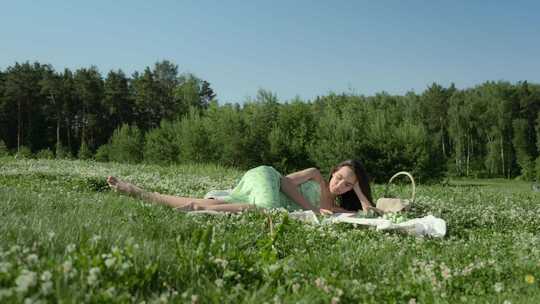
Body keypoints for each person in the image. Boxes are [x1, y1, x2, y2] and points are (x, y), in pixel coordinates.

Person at [106, 159, 376, 214]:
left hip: (261, 198)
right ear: (332, 173)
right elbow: (283, 181)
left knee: (218, 203)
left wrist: (361, 193)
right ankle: (201, 211)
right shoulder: (316, 175)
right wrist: (310, 209)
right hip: (266, 179)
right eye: (339, 177)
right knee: (269, 209)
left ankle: (138, 192)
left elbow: (368, 215)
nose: (340, 184)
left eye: (348, 184)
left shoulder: (339, 209)